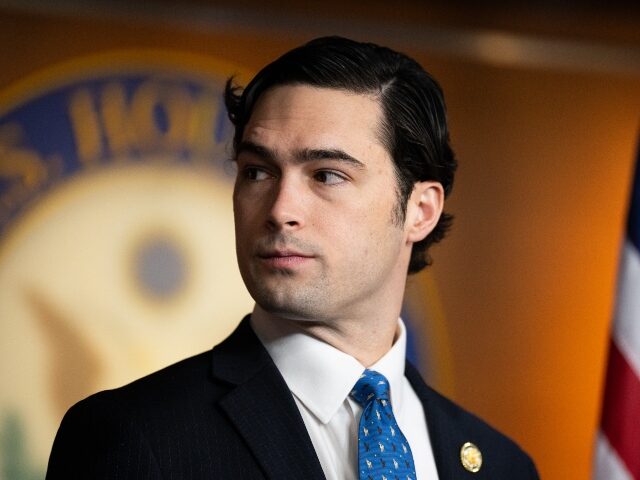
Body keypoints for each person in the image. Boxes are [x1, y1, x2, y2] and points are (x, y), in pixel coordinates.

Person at [47, 36, 539, 479]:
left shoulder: (503, 466)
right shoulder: (133, 439)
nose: (280, 210)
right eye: (258, 172)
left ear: (420, 210)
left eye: (326, 175)